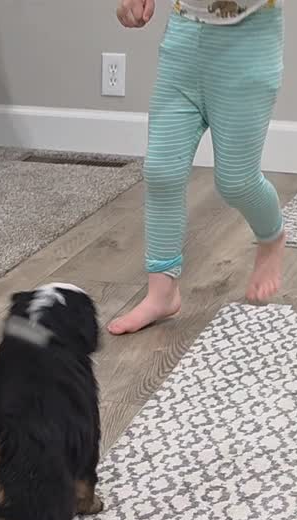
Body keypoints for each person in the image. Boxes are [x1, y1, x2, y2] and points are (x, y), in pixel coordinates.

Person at [109, 0, 285, 336]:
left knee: (237, 182)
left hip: (250, 46)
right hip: (185, 41)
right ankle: (162, 292)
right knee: (161, 171)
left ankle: (272, 237)